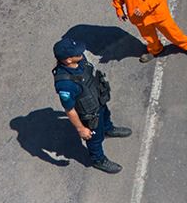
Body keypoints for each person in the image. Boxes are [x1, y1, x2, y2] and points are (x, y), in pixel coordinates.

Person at [51, 37, 132, 174]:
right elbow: (69, 110)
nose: (81, 53)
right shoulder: (65, 84)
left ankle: (108, 129)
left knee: (106, 116)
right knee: (94, 139)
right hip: (89, 115)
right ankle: (98, 160)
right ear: (68, 60)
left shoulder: (80, 61)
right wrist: (81, 129)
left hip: (98, 100)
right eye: (77, 53)